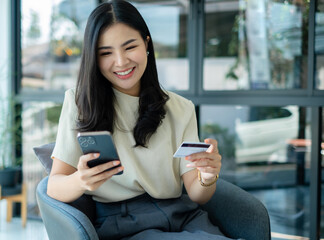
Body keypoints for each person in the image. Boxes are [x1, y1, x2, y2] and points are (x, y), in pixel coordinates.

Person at [48, 1, 232, 239]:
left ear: (146, 44)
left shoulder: (181, 108)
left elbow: (197, 195)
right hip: (123, 222)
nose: (121, 61)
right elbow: (53, 186)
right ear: (94, 57)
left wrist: (207, 176)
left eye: (129, 47)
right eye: (106, 53)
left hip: (182, 216)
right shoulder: (79, 102)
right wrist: (80, 181)